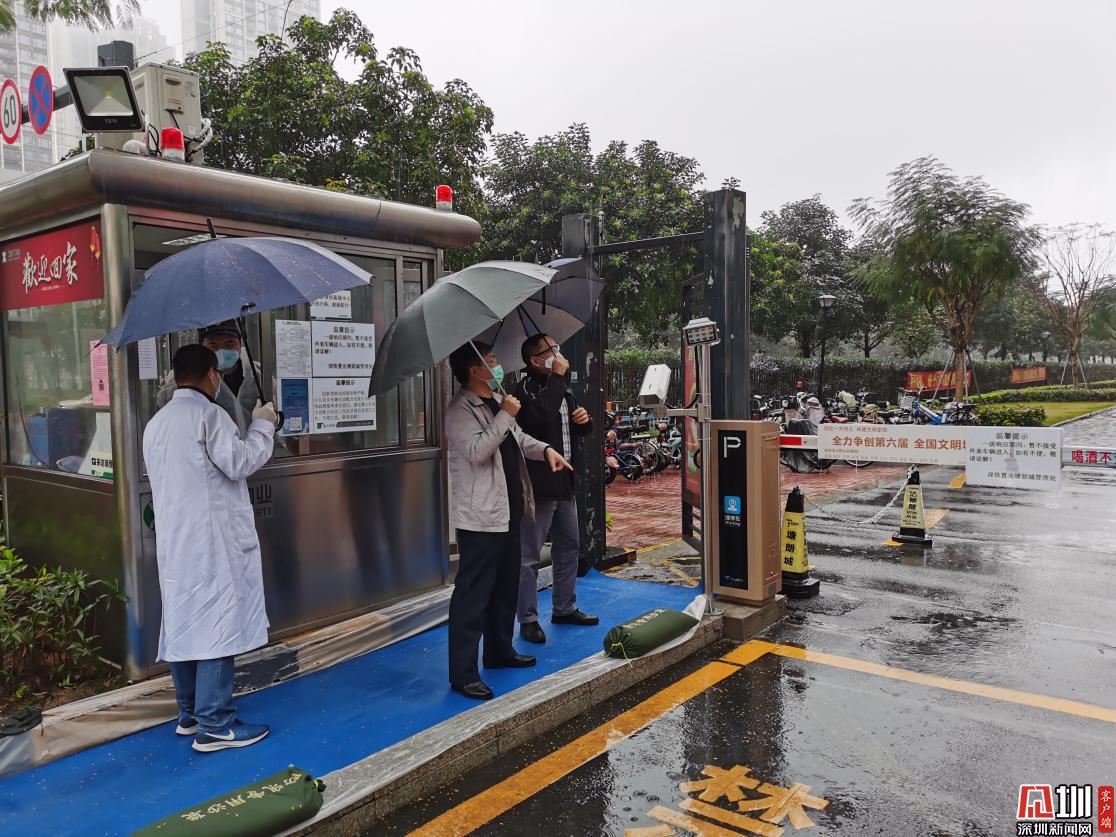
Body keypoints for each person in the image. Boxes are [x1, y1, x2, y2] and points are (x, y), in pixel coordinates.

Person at [142, 344, 278, 752]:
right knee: (217, 626)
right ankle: (216, 723)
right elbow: (240, 462)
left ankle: (189, 713)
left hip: (176, 544)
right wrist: (262, 425)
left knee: (184, 623)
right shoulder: (210, 416)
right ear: (212, 376)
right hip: (212, 543)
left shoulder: (156, 423)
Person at [445, 341, 573, 700]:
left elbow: (519, 439)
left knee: (504, 587)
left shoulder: (497, 401)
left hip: (509, 511)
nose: (498, 365)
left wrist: (546, 450)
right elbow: (477, 451)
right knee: (473, 594)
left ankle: (499, 651)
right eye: (491, 361)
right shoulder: (459, 410)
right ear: (475, 370)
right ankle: (463, 673)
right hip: (481, 518)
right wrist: (505, 415)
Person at [512, 334, 598, 644]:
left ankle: (564, 607)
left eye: (556, 346)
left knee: (569, 547)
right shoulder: (523, 389)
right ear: (535, 360)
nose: (557, 352)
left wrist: (583, 420)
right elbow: (537, 421)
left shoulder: (563, 388)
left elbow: (576, 428)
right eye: (550, 350)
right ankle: (528, 618)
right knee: (529, 555)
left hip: (566, 481)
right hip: (539, 485)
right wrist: (558, 378)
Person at [157, 321, 261, 437]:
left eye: (229, 344)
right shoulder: (187, 374)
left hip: (255, 443)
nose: (222, 351)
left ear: (240, 342)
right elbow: (168, 406)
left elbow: (274, 405)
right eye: (213, 345)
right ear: (201, 347)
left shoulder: (257, 373)